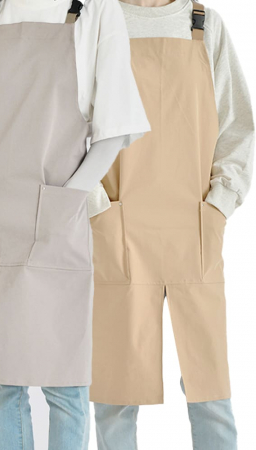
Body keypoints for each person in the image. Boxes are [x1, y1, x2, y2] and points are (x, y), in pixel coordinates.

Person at [0, 0, 150, 448]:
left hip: (53, 217)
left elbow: (115, 127)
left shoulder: (93, 9)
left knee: (64, 381)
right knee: (0, 382)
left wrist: (65, 202)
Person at [89, 1, 254, 449]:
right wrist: (96, 206)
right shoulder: (96, 22)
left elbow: (238, 125)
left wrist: (219, 205)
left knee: (210, 389)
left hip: (193, 230)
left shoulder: (203, 24)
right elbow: (69, 123)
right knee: (115, 394)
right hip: (120, 230)